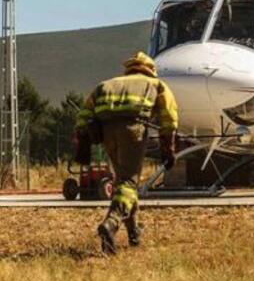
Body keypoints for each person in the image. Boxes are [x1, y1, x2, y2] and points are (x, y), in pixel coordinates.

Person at [76, 52, 179, 254]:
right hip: (134, 130)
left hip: (107, 133)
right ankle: (111, 223)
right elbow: (169, 117)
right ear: (151, 70)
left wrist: (83, 142)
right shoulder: (156, 84)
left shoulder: (105, 84)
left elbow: (84, 114)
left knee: (123, 182)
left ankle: (133, 232)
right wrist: (168, 147)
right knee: (129, 182)